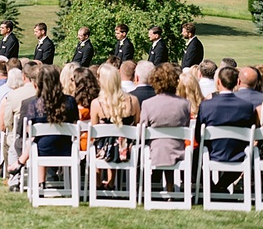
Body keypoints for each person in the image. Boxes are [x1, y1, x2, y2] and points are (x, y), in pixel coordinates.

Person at [8, 65, 79, 186]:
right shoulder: (70, 101)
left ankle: (35, 177)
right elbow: (75, 124)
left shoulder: (33, 104)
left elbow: (28, 131)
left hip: (41, 150)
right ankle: (39, 177)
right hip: (66, 148)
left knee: (35, 139)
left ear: (38, 83)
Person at [195, 66, 258, 192]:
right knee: (248, 153)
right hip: (238, 154)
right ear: (237, 82)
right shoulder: (247, 107)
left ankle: (213, 188)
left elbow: (198, 134)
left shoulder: (207, 105)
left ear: (218, 82)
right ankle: (220, 187)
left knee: (193, 155)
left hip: (211, 152)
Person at [140, 63, 190, 193]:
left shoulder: (148, 104)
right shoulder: (184, 104)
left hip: (154, 152)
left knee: (159, 146)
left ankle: (147, 187)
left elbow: (141, 131)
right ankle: (169, 188)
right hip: (178, 150)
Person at [90, 63, 140, 188]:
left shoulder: (97, 104)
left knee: (99, 142)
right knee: (117, 140)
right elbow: (138, 124)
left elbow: (94, 132)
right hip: (125, 151)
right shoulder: (132, 101)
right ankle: (111, 182)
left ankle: (97, 181)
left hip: (103, 151)